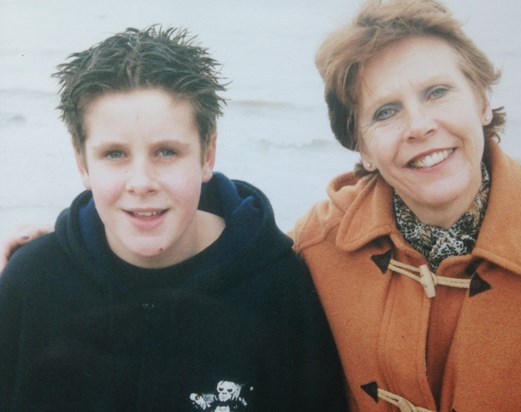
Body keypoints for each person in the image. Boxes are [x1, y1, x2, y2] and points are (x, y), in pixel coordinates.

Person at [0, 26, 347, 411]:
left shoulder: (281, 287)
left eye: (166, 152)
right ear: (82, 162)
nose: (142, 182)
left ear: (207, 154)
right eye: (114, 154)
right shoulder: (31, 282)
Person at [290, 0, 521, 411]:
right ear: (363, 148)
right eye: (385, 112)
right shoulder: (316, 248)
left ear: (482, 101)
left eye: (438, 92)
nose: (419, 126)